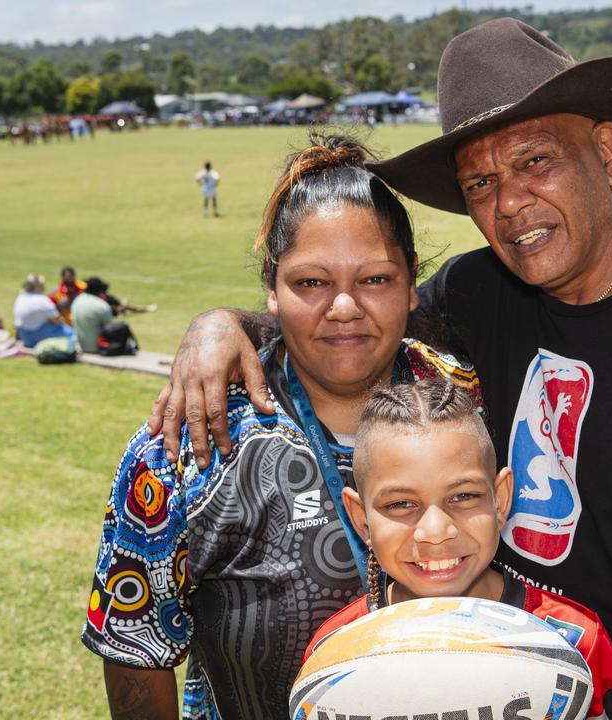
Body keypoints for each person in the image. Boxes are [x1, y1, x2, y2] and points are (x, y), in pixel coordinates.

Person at [150, 19, 612, 720]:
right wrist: (221, 325)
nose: (511, 202)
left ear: (608, 155)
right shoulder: (482, 293)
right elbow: (352, 313)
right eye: (481, 181)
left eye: (535, 161)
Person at [82, 135, 481, 720]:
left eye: (375, 279)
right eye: (311, 283)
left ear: (410, 282)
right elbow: (133, 649)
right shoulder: (186, 444)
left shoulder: (468, 399)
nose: (344, 308)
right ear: (271, 286)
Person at [306, 380, 612, 720]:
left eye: (464, 496)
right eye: (400, 504)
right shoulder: (334, 654)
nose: (436, 532)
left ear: (501, 500)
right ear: (361, 519)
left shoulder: (573, 640)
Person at [13, 273, 75, 347]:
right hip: (39, 336)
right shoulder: (42, 300)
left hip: (25, 337)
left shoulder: (20, 297)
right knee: (73, 334)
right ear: (38, 286)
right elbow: (57, 320)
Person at [70, 277, 117, 354]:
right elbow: (110, 329)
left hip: (77, 345)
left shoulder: (77, 300)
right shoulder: (102, 306)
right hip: (97, 348)